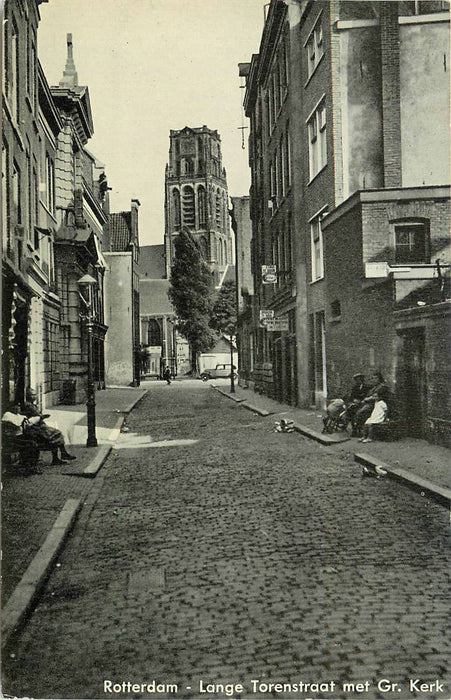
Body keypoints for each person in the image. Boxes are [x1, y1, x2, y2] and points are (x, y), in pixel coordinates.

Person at [21, 389, 76, 465]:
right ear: (28, 396)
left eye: (35, 394)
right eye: (32, 395)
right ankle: (61, 455)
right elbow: (36, 416)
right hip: (35, 428)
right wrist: (43, 416)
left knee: (55, 434)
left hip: (38, 427)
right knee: (57, 434)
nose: (35, 396)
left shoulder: (31, 404)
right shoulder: (28, 405)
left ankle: (59, 456)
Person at [353, 371, 388, 436]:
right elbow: (368, 395)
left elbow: (376, 396)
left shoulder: (382, 387)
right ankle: (357, 429)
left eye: (376, 378)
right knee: (354, 409)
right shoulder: (374, 387)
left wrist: (366, 399)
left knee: (361, 412)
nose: (374, 380)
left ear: (379, 379)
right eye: (373, 378)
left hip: (377, 405)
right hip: (369, 403)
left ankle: (363, 431)